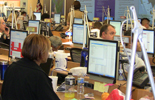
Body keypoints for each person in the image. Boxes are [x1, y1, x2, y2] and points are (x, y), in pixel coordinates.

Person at [2, 34, 60, 100]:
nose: (49, 53)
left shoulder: (12, 67)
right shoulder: (38, 76)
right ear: (41, 52)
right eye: (48, 50)